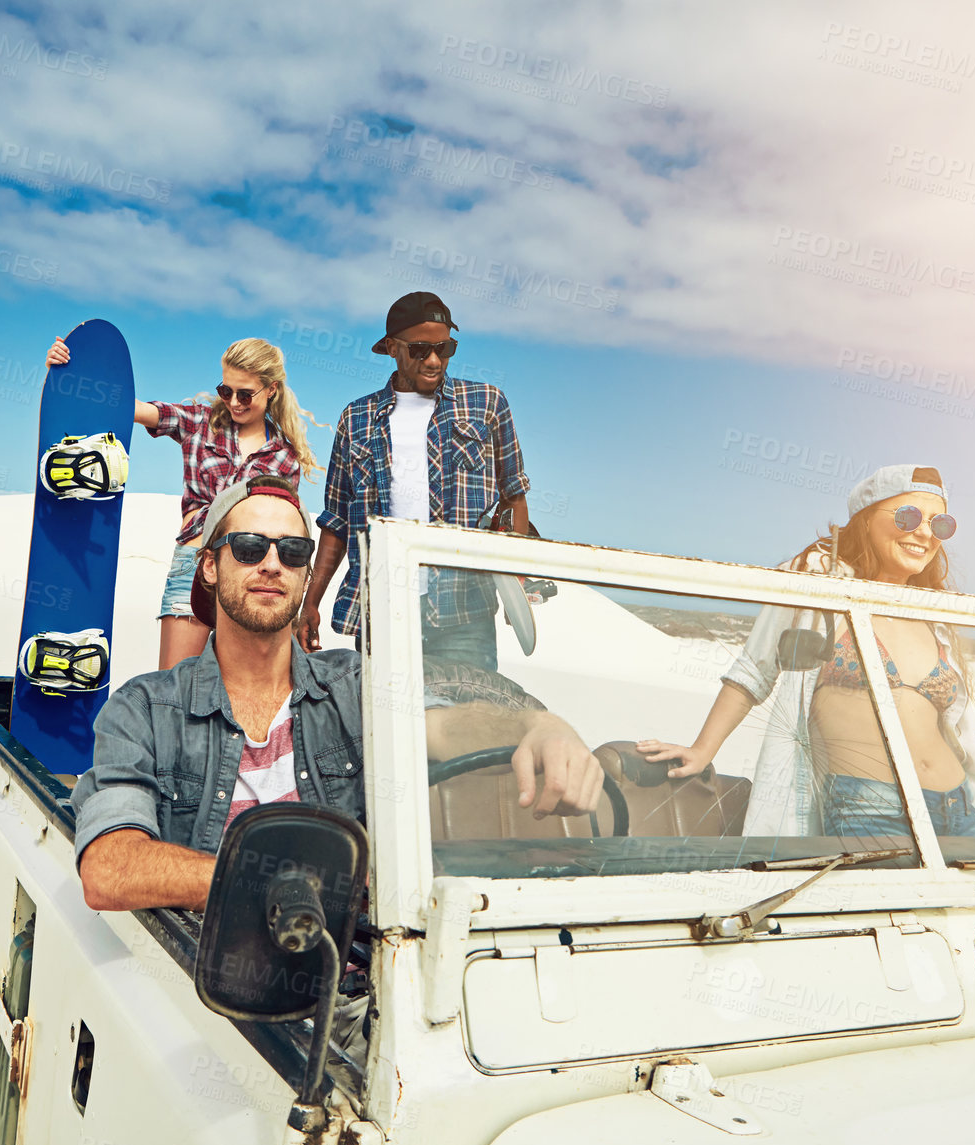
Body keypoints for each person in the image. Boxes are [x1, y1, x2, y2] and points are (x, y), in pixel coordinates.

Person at [71, 475, 602, 913]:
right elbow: (110, 867)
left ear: (306, 577)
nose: (272, 564)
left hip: (366, 987)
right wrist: (279, 885)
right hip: (218, 1002)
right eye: (250, 547)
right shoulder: (143, 709)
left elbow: (445, 725)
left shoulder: (351, 686)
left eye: (295, 551)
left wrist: (537, 726)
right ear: (210, 566)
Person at [635, 465, 975, 840]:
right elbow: (755, 670)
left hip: (961, 810)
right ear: (865, 520)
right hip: (869, 809)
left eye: (940, 524)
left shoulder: (934, 613)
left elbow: (966, 736)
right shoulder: (816, 585)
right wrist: (703, 749)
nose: (925, 532)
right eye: (908, 516)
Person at [46, 332, 321, 669]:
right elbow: (126, 407)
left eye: (245, 394)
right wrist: (72, 371)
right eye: (226, 391)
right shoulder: (200, 422)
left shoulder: (285, 457)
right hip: (194, 564)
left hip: (252, 572)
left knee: (248, 685)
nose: (234, 402)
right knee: (173, 687)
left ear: (272, 389)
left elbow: (285, 529)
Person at [297, 292, 529, 672]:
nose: (434, 360)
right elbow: (336, 521)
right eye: (420, 349)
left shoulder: (487, 403)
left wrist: (516, 584)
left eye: (445, 348)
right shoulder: (356, 418)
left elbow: (513, 497)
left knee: (468, 725)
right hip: (382, 610)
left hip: (465, 611)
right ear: (391, 348)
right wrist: (311, 602)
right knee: (381, 729)